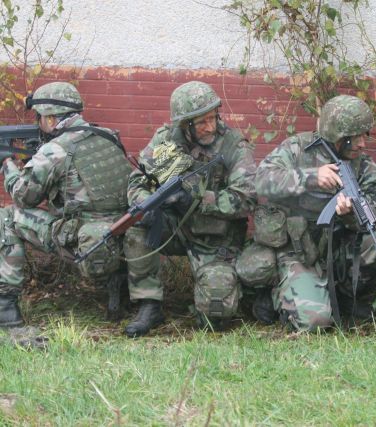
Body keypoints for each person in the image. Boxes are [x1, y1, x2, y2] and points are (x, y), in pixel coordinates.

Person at [123, 80, 257, 337]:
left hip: (214, 238)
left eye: (213, 118)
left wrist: (199, 199)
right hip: (173, 228)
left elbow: (247, 197)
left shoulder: (232, 145)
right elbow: (138, 180)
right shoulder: (166, 140)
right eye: (202, 122)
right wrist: (145, 204)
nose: (211, 127)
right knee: (136, 230)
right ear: (185, 125)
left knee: (216, 316)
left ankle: (212, 297)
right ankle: (149, 304)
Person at [253, 94, 376, 331]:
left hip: (336, 248)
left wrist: (350, 212)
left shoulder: (363, 165)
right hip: (298, 250)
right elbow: (262, 180)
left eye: (364, 135)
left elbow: (375, 211)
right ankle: (277, 294)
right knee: (315, 323)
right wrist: (310, 177)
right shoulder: (297, 149)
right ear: (338, 135)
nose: (362, 143)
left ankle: (343, 296)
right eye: (355, 137)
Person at [0, 82, 131, 334]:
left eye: (40, 117)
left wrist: (8, 164)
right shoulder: (108, 136)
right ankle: (119, 291)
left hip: (84, 243)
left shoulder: (55, 150)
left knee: (7, 217)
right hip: (121, 235)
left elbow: (24, 197)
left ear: (50, 119)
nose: (39, 122)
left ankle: (5, 307)